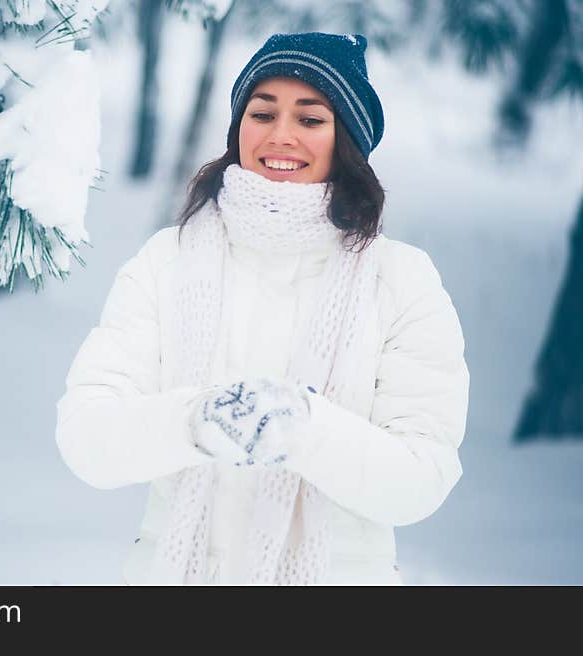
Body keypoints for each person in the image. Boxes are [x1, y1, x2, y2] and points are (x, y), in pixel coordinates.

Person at [55, 32, 469, 585]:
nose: (281, 136)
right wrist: (195, 421)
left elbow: (421, 478)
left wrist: (304, 428)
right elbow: (88, 437)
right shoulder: (167, 260)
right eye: (262, 112)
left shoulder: (401, 280)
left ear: (347, 139)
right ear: (238, 128)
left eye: (310, 119)